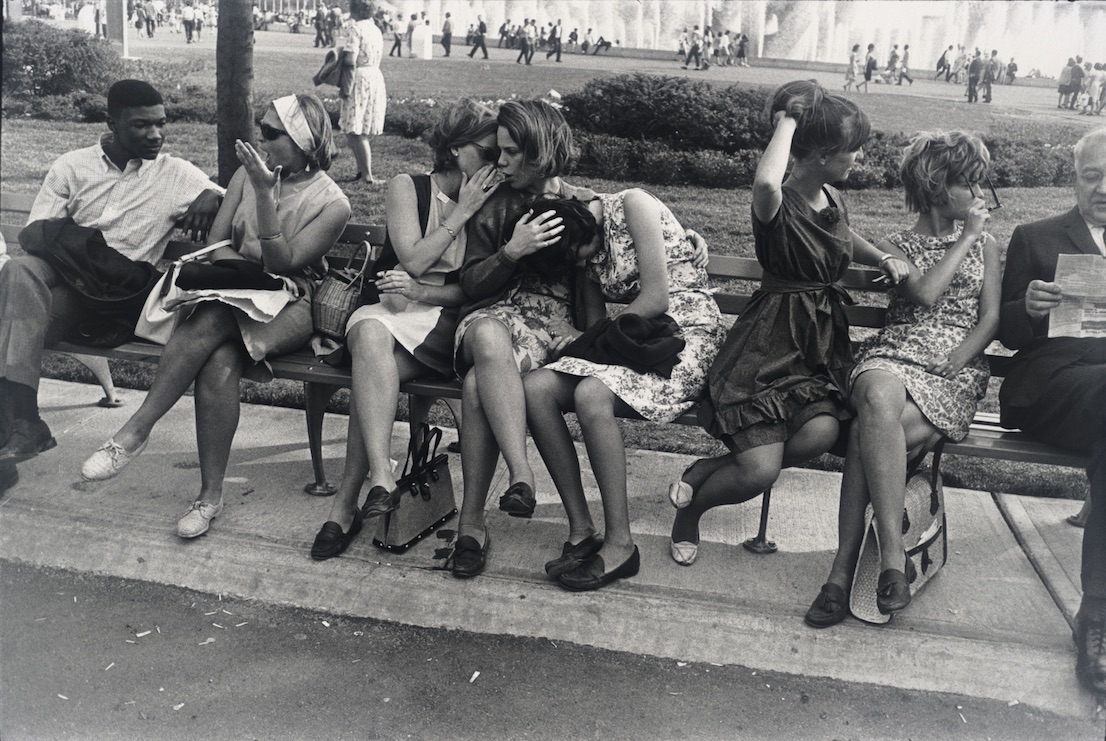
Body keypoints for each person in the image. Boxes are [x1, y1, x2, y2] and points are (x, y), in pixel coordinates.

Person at [78, 93, 351, 540]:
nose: (259, 141)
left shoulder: (332, 203)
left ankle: (135, 432)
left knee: (214, 319)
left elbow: (283, 263)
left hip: (294, 303)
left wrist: (265, 195)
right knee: (219, 361)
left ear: (304, 141)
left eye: (270, 133)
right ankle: (208, 498)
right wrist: (241, 276)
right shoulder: (247, 175)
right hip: (236, 293)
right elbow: (220, 240)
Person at [668, 80, 909, 567]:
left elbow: (845, 233)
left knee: (819, 435)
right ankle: (691, 514)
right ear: (820, 154)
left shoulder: (832, 198)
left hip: (815, 347)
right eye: (850, 151)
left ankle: (707, 470)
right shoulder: (774, 205)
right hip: (768, 347)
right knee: (759, 472)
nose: (856, 159)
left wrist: (880, 254)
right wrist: (789, 121)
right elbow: (765, 183)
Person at [805, 131, 1001, 626]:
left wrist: (961, 357)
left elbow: (991, 318)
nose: (980, 197)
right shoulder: (894, 245)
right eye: (970, 186)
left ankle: (841, 570)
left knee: (867, 436)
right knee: (875, 389)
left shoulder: (990, 246)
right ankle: (893, 559)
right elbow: (927, 294)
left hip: (948, 372)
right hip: (895, 354)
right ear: (939, 188)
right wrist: (967, 239)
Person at [0, 80, 221, 485]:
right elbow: (37, 234)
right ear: (111, 124)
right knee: (18, 270)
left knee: (7, 323)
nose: (155, 135)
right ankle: (22, 424)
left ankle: (19, 432)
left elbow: (235, 203)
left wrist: (212, 195)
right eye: (140, 126)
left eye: (161, 124)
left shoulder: (176, 174)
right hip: (67, 280)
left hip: (118, 298)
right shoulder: (73, 166)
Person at [310, 100, 500, 560]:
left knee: (370, 369)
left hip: (440, 322)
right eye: (489, 151)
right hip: (389, 313)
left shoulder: (493, 203)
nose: (498, 162)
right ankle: (381, 477)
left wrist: (425, 291)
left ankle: (346, 504)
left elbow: (470, 290)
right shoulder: (407, 188)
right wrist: (462, 211)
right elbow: (412, 257)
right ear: (457, 150)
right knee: (373, 345)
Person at [524, 189, 725, 591]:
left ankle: (621, 546)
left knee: (591, 394)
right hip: (637, 339)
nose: (582, 264)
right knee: (536, 389)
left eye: (579, 256)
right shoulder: (579, 243)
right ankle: (583, 531)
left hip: (687, 336)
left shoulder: (634, 205)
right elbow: (598, 320)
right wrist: (582, 336)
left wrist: (590, 338)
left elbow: (657, 297)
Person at [445, 100, 592, 579]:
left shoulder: (585, 204)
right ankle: (522, 473)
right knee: (488, 335)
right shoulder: (495, 204)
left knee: (475, 388)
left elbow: (633, 254)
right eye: (498, 152)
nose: (500, 162)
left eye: (511, 153)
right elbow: (470, 285)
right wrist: (512, 252)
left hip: (553, 332)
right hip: (493, 316)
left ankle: (472, 525)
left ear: (540, 153)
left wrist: (691, 239)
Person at [997, 127, 1106, 694]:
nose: (1105, 188)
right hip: (1052, 382)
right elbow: (1009, 333)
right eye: (1093, 176)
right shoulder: (1037, 237)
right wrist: (1030, 307)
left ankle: (1097, 615)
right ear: (1075, 177)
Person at [339, 0, 386, 185]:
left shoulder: (355, 28)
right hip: (374, 75)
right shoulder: (375, 29)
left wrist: (344, 84)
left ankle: (366, 175)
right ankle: (361, 171)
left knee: (356, 129)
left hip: (358, 78)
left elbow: (351, 59)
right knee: (358, 127)